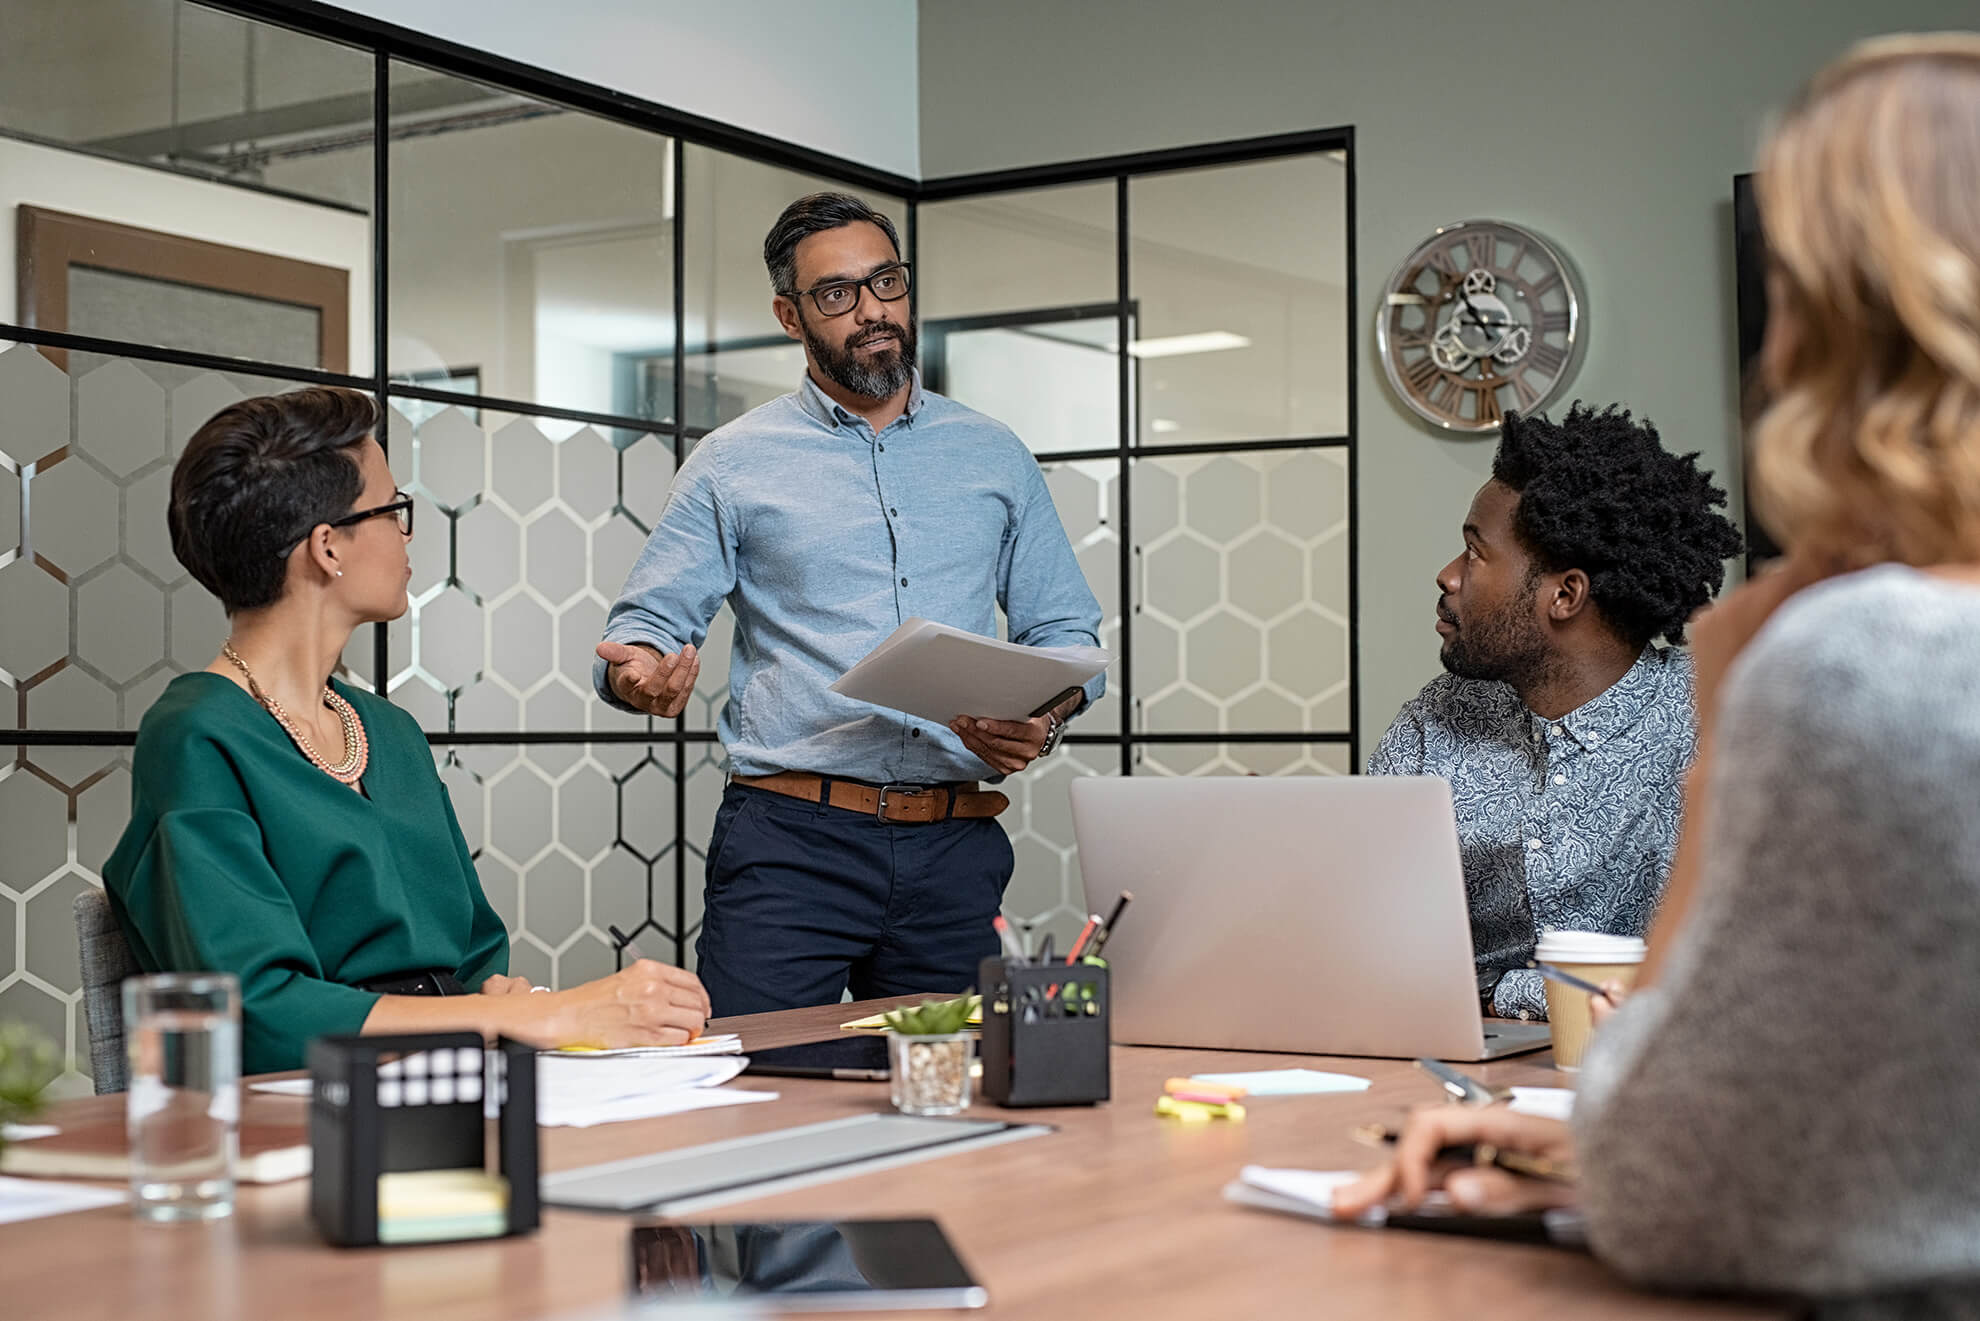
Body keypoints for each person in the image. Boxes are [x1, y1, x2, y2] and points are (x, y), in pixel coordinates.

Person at [1336, 34, 1980, 1315]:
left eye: (1789, 285)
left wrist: (1736, 713)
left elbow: (1703, 1165)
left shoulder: (1861, 663)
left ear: (1835, 324)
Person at [594, 192, 1104, 1017]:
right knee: (752, 1093)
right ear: (789, 317)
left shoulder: (995, 454)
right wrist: (639, 676)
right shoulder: (734, 463)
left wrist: (1043, 716)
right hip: (791, 845)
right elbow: (643, 632)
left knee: (960, 1105)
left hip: (955, 845)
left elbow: (1066, 633)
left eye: (887, 283)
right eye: (838, 294)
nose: (873, 311)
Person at [104, 387, 710, 1075]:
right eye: (394, 509)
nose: (407, 530)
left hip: (453, 1081)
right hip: (308, 1109)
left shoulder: (388, 733)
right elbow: (260, 1010)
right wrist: (527, 1013)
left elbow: (477, 953)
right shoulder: (195, 736)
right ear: (327, 547)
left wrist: (506, 1002)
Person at [1367, 404, 1741, 1019]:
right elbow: (1363, 931)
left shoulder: (1714, 723)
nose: (1447, 576)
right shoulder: (1434, 726)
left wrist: (1502, 990)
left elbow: (1724, 971)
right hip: (1458, 1072)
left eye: (1474, 554)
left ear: (1565, 595)